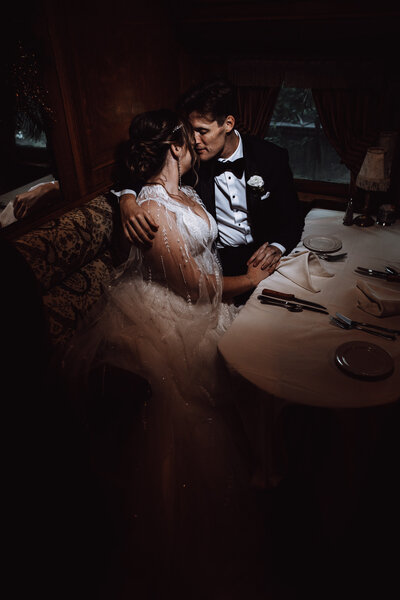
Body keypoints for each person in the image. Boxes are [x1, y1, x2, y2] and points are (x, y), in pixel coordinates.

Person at [63, 109, 266, 598]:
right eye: (189, 136)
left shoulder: (187, 193)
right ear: (174, 146)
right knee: (197, 408)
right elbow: (195, 289)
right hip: (170, 313)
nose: (198, 142)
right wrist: (256, 283)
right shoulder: (152, 210)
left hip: (205, 300)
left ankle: (267, 466)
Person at [115, 78, 304, 303]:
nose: (194, 141)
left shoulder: (271, 157)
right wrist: (127, 199)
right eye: (190, 131)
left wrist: (277, 246)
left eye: (202, 131)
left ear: (228, 124)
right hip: (217, 264)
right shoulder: (189, 161)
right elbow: (147, 162)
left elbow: (292, 219)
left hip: (261, 257)